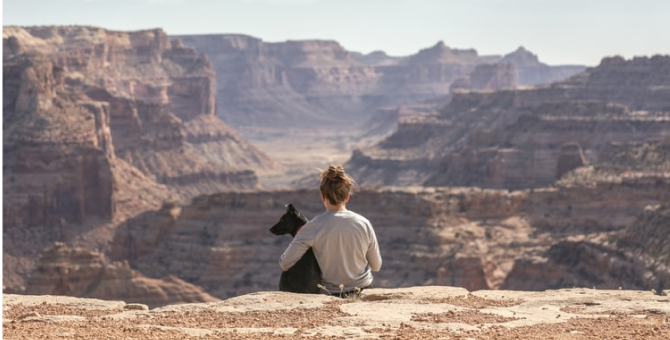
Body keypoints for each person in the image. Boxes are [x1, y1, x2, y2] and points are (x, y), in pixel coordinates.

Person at [279, 165, 382, 297]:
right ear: (347, 197)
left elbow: (285, 263)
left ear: (323, 196)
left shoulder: (312, 227)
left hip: (331, 294)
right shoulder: (364, 223)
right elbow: (376, 266)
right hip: (363, 289)